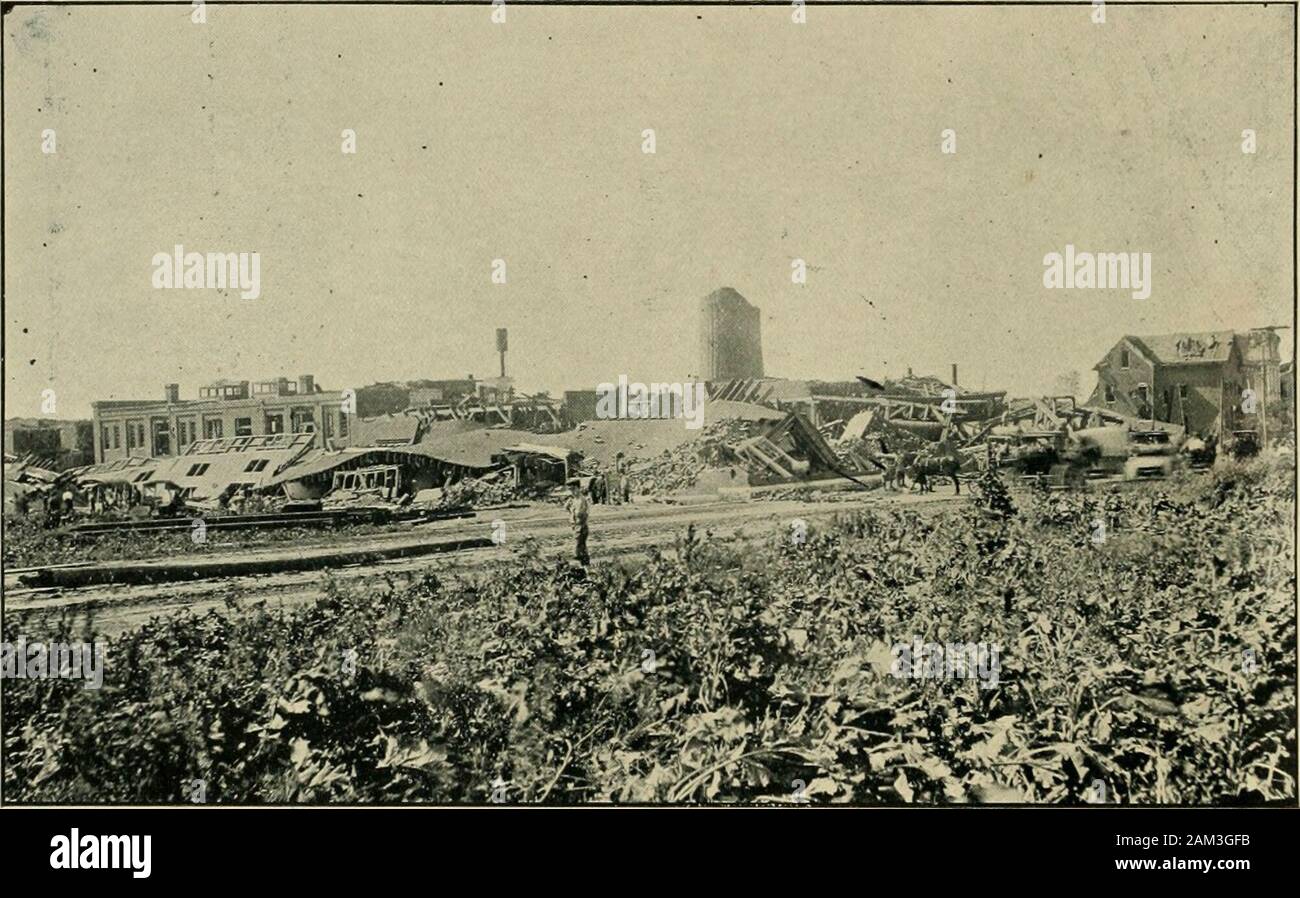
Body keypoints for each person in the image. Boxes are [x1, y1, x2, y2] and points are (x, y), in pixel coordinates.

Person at [566, 478, 590, 566]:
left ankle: (585, 567)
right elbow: (570, 511)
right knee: (581, 549)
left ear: (577, 488)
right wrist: (569, 507)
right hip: (576, 526)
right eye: (570, 490)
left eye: (573, 489)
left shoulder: (581, 500)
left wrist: (573, 509)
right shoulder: (574, 499)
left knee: (578, 551)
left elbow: (580, 514)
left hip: (581, 527)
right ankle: (585, 567)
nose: (571, 492)